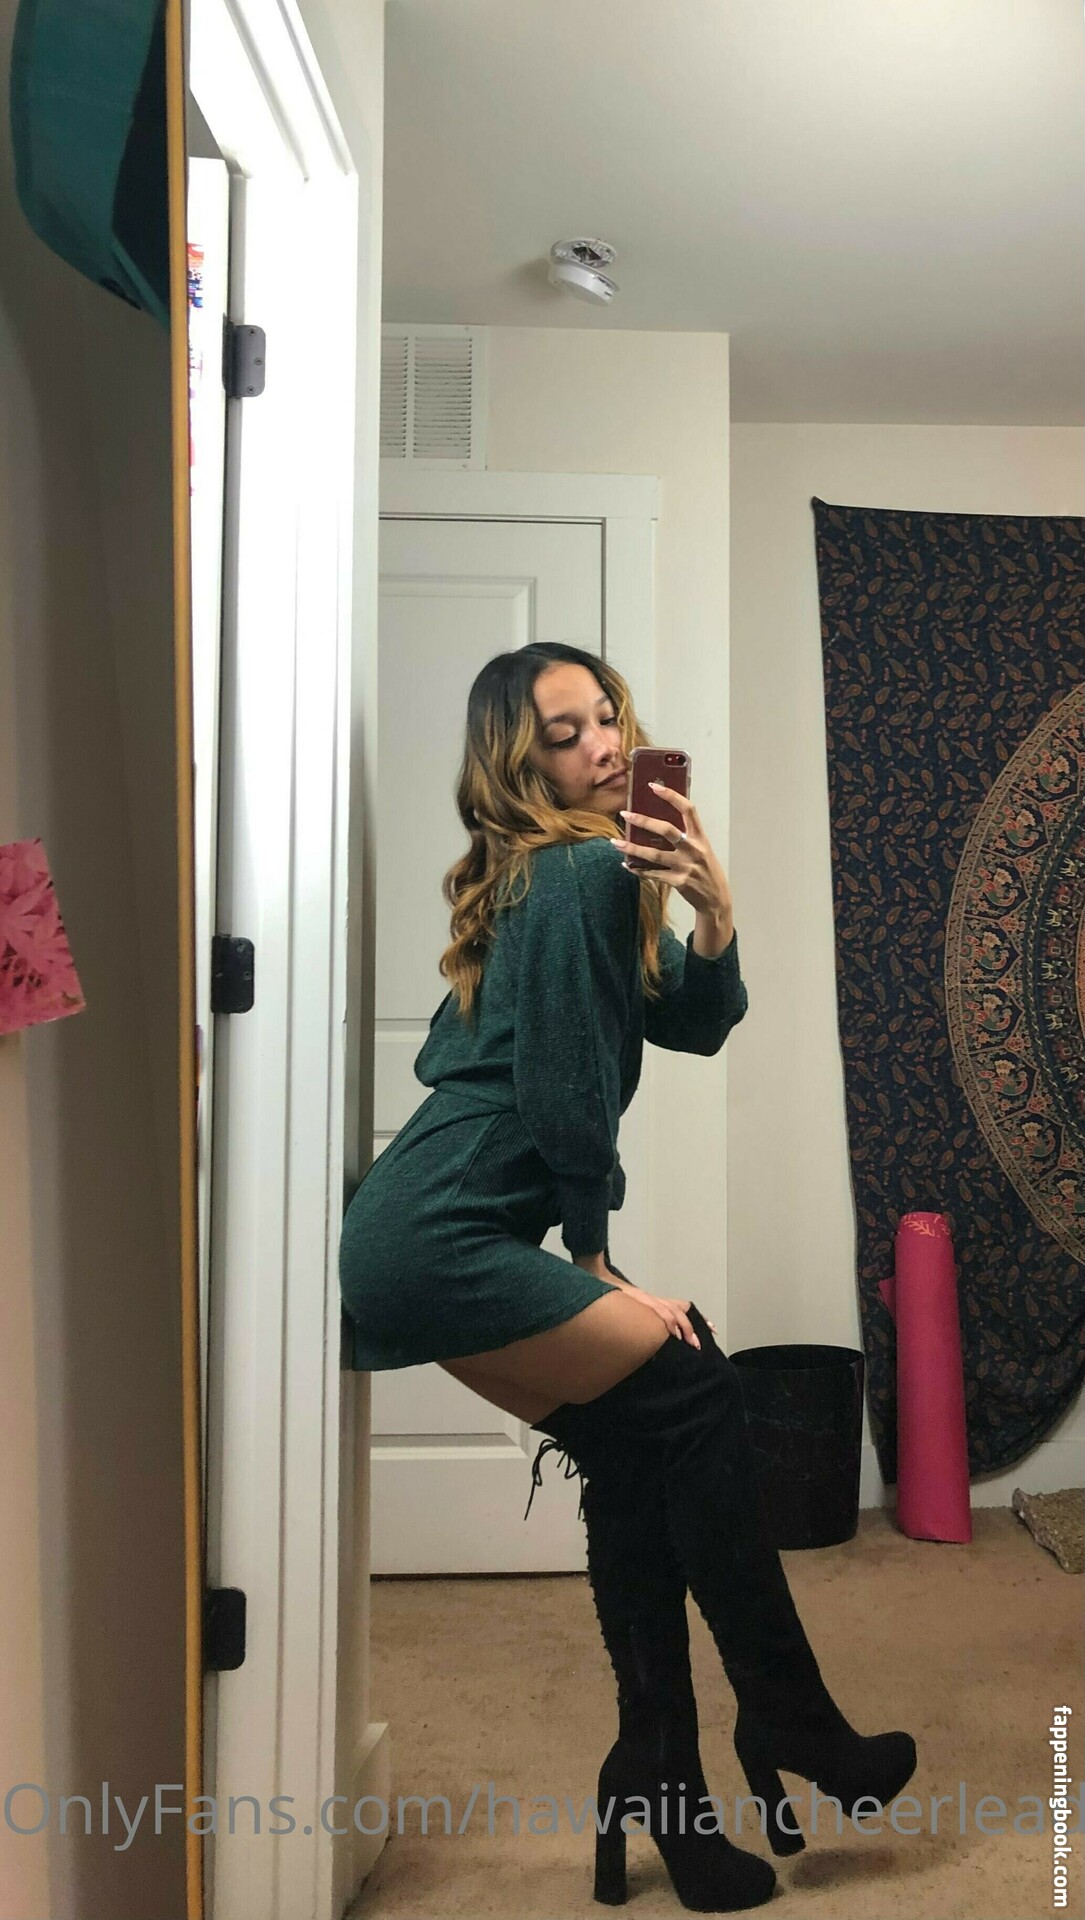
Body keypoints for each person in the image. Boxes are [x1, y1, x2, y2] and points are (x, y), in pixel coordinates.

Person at [340, 642, 917, 1914]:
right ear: (521, 763)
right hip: (438, 1232)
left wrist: (713, 911)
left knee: (642, 1448)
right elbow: (564, 1088)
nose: (603, 745)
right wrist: (594, 1259)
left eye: (607, 718)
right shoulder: (573, 872)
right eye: (565, 734)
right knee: (695, 1386)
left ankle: (662, 1778)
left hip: (417, 1235)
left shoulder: (594, 873)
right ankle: (787, 1716)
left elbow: (691, 1023)